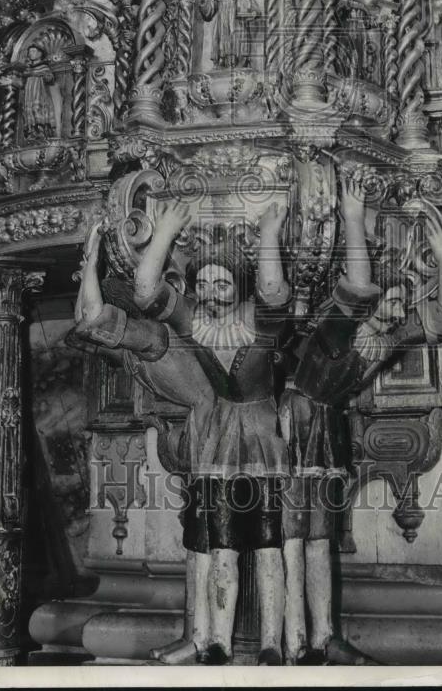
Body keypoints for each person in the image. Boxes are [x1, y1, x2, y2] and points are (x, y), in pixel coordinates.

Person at [278, 171, 442, 664]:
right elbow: (358, 287)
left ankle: (322, 637)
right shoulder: (338, 331)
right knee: (293, 538)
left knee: (318, 537)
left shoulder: (384, 338)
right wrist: (354, 218)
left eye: (401, 300)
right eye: (389, 299)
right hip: (294, 424)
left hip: (324, 426)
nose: (394, 306)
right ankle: (294, 639)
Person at [134, 199, 291, 665]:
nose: (209, 291)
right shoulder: (198, 326)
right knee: (220, 541)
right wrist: (164, 231)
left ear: (239, 289)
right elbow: (145, 291)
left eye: (221, 283)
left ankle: (271, 643)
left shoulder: (260, 324)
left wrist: (268, 233)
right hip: (218, 441)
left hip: (263, 440)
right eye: (202, 284)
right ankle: (217, 640)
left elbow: (273, 287)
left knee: (268, 544)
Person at [67, 218, 218, 662]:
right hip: (197, 444)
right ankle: (197, 636)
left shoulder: (155, 336)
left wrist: (93, 261)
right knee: (198, 547)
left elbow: (93, 318)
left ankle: (203, 638)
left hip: (215, 446)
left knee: (206, 548)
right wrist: (87, 269)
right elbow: (84, 326)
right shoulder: (138, 347)